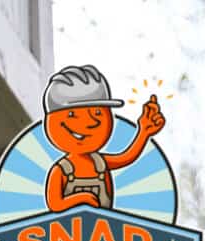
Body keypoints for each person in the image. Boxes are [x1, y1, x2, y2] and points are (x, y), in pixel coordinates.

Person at [41, 63, 166, 212]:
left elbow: (127, 157)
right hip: (66, 232)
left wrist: (144, 131)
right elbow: (55, 204)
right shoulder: (61, 170)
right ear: (50, 122)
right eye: (72, 115)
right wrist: (82, 198)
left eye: (98, 113)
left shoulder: (100, 163)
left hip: (104, 230)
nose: (91, 122)